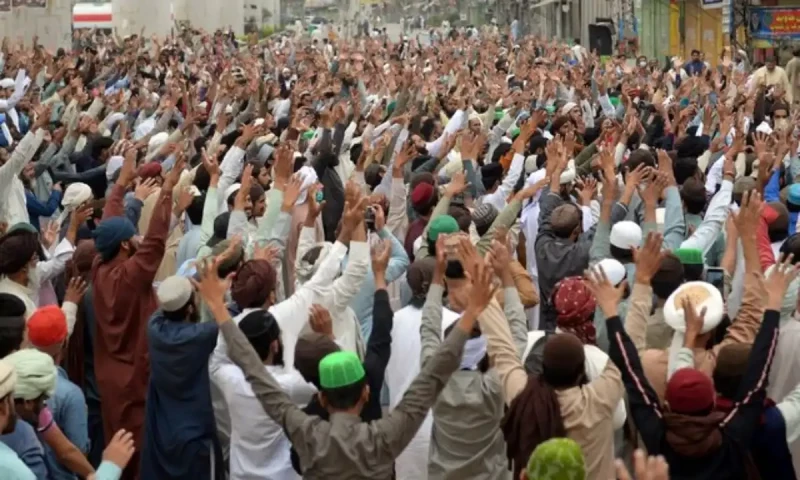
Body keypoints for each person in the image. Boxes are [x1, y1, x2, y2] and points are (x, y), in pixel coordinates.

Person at [193, 239, 498, 479]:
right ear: (366, 393)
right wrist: (471, 311)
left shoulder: (306, 431)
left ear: (322, 398)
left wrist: (219, 307)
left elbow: (252, 369)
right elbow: (432, 374)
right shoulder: (384, 437)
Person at [90, 147, 181, 479]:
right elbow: (155, 243)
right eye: (133, 238)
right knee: (137, 445)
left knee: (118, 435)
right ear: (127, 246)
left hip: (110, 374)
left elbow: (113, 223)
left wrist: (120, 187)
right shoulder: (130, 277)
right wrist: (167, 192)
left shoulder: (100, 265)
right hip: (134, 377)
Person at [140, 276, 223, 479]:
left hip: (163, 432)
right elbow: (228, 320)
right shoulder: (202, 336)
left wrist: (180, 290)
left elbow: (165, 308)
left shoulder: (154, 330)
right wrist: (212, 295)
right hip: (196, 437)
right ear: (190, 309)